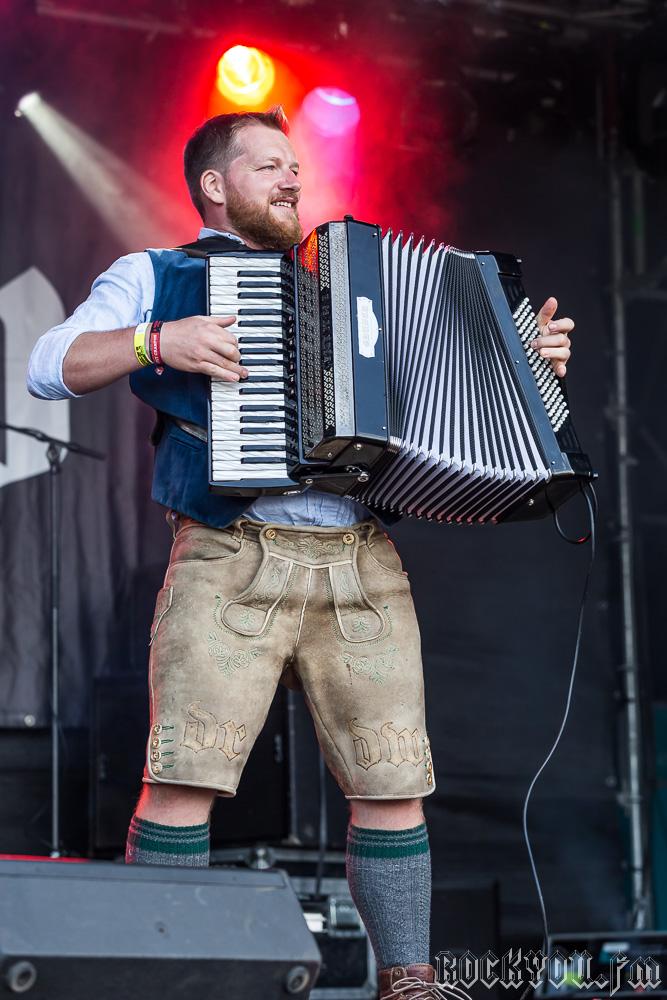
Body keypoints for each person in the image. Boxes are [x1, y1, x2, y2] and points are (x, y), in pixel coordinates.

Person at [27, 107, 573, 1000]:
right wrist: (155, 340)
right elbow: (47, 363)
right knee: (185, 775)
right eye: (269, 165)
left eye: (295, 166)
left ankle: (408, 981)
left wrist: (529, 370)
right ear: (214, 184)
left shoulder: (354, 287)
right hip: (229, 552)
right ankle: (158, 977)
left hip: (360, 558)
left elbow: (453, 392)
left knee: (392, 779)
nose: (293, 178)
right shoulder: (158, 274)